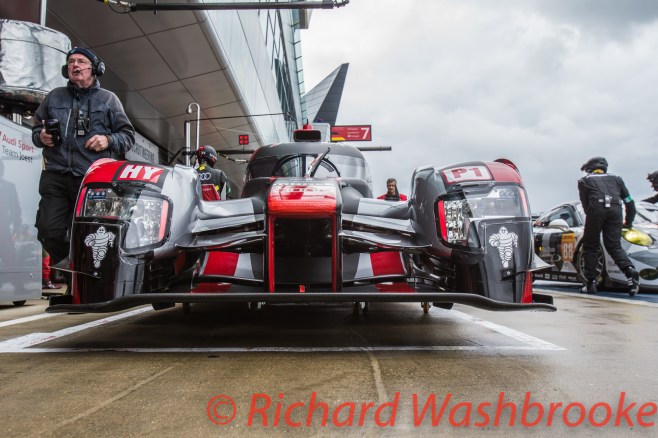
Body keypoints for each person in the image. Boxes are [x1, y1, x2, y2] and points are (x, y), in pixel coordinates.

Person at [32, 47, 135, 277]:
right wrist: (41, 136)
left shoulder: (109, 100)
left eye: (80, 61)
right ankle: (72, 271)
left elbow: (128, 137)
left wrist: (108, 140)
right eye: (71, 62)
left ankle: (88, 279)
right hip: (56, 175)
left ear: (95, 68)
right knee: (49, 230)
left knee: (94, 233)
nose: (75, 65)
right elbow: (36, 130)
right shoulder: (54, 96)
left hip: (92, 180)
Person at [578, 157, 639, 296]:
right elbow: (629, 202)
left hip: (596, 210)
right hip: (616, 210)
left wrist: (594, 217)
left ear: (589, 169)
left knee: (590, 246)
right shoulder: (617, 179)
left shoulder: (584, 180)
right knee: (614, 246)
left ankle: (590, 283)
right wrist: (628, 222)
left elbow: (585, 205)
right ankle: (629, 271)